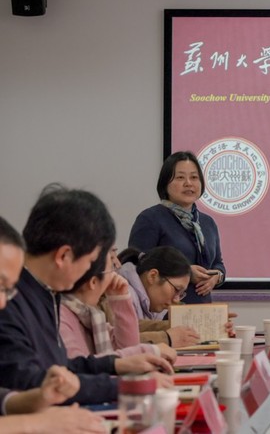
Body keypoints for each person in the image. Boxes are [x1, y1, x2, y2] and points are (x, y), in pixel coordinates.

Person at [0, 184, 173, 405]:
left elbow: (59, 368)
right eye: (91, 261)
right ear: (64, 256)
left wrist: (115, 364)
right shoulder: (9, 301)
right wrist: (124, 385)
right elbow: (34, 382)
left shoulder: (44, 292)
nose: (91, 270)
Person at [0, 215, 106, 433]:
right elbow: (23, 377)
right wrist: (35, 423)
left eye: (6, 290)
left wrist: (39, 398)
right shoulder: (17, 307)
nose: (3, 302)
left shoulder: (47, 297)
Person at [129, 151, 226, 305]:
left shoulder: (207, 222)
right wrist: (185, 272)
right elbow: (137, 263)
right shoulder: (150, 218)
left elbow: (217, 263)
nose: (188, 183)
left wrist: (217, 277)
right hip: (164, 310)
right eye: (180, 177)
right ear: (165, 183)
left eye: (194, 177)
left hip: (203, 309)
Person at [59, 245, 177, 363]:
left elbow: (128, 347)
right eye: (112, 264)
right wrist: (152, 350)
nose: (118, 265)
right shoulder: (61, 317)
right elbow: (79, 366)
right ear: (93, 282)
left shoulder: (90, 317)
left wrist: (121, 299)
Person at [117, 246, 201, 348]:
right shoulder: (121, 295)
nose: (176, 300)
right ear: (153, 276)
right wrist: (167, 337)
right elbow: (122, 342)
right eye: (176, 289)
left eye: (181, 293)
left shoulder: (153, 302)